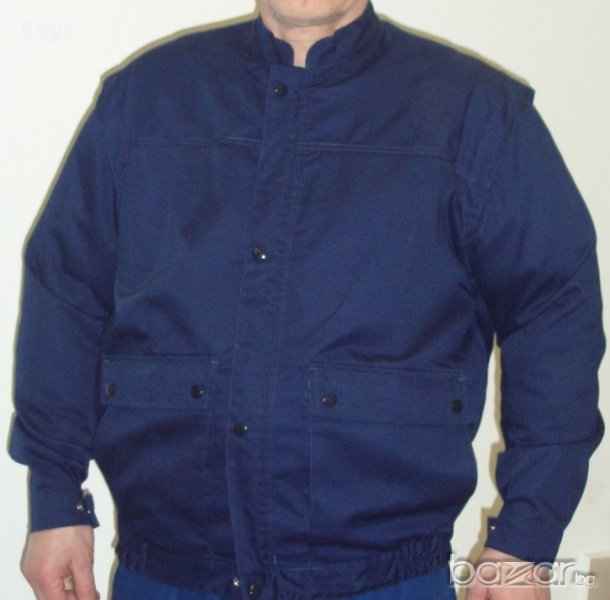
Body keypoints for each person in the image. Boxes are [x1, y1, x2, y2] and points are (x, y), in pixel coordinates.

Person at [9, 1, 605, 599]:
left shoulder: (477, 115)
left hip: (387, 580)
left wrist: (525, 540)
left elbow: (553, 317)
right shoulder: (144, 100)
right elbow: (66, 296)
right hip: (167, 573)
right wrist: (56, 498)